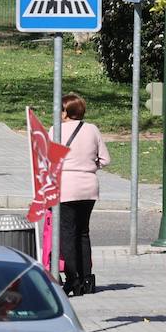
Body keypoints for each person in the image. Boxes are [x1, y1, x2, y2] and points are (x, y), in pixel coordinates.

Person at [58, 92, 110, 296]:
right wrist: (89, 164)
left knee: (67, 234)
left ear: (66, 111)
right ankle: (87, 277)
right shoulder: (92, 129)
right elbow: (105, 159)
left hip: (66, 187)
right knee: (83, 232)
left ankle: (73, 279)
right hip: (89, 187)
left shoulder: (57, 130)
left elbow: (49, 159)